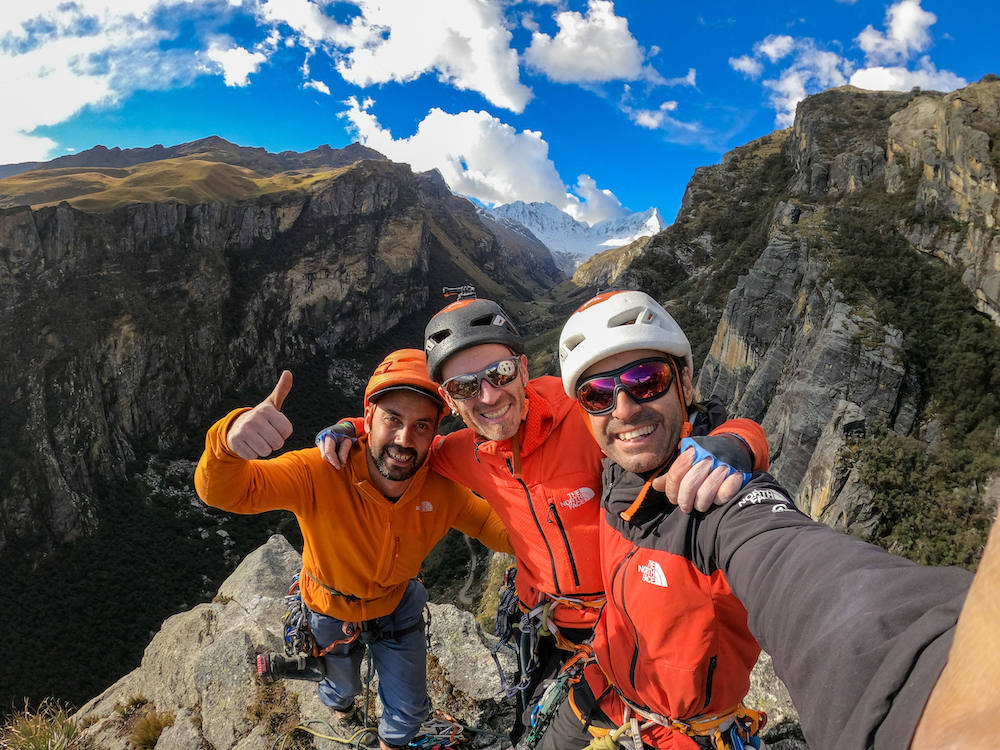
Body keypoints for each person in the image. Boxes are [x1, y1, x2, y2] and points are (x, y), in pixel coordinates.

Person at [317, 297, 770, 742]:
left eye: (500, 374)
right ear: (450, 402)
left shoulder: (587, 412)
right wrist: (351, 428)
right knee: (533, 725)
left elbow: (690, 425)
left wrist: (739, 443)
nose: (489, 396)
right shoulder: (461, 452)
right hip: (548, 625)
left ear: (524, 369)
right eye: (464, 387)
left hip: (620, 621)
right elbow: (405, 438)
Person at [542, 290, 975, 750]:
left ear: (685, 382)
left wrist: (923, 681)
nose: (624, 408)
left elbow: (797, 567)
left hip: (681, 735)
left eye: (646, 380)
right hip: (597, 690)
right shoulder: (613, 466)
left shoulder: (720, 502)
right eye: (597, 395)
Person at [194, 349, 513, 750]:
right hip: (329, 607)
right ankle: (341, 709)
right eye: (392, 419)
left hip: (397, 605)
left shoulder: (441, 487)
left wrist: (556, 527)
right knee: (339, 686)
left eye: (420, 426)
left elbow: (489, 524)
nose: (403, 439)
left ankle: (391, 742)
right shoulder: (320, 471)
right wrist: (228, 442)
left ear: (435, 432)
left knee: (410, 708)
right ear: (368, 418)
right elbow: (225, 492)